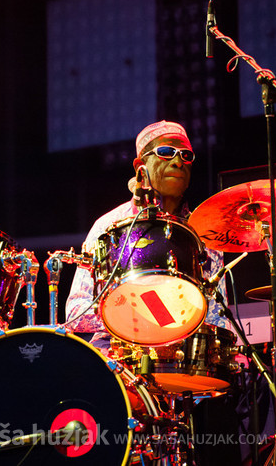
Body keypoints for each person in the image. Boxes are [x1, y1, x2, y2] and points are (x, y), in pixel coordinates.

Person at [64, 120, 231, 351]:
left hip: (184, 361)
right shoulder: (108, 225)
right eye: (165, 152)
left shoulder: (204, 233)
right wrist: (134, 318)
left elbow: (218, 317)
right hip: (118, 356)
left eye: (186, 156)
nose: (177, 162)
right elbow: (75, 311)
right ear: (140, 165)